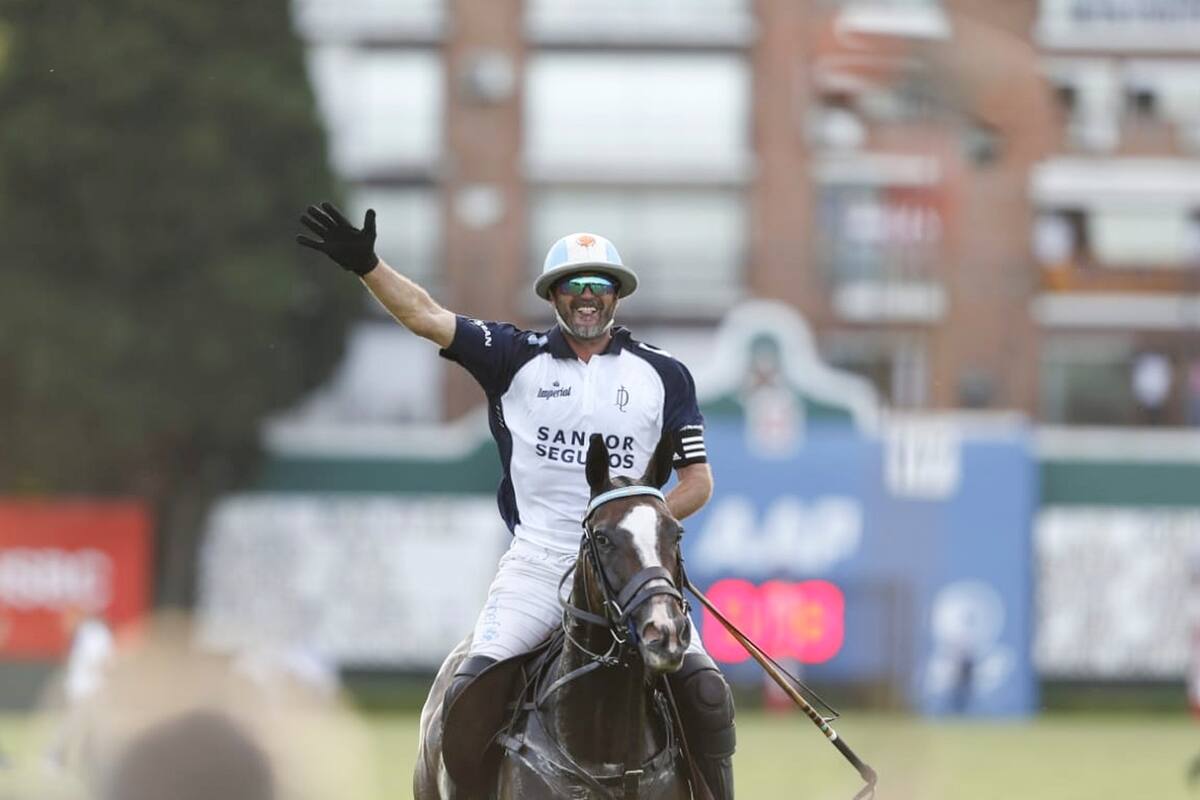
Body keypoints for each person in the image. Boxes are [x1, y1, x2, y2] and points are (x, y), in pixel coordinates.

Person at [297, 202, 736, 797]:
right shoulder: (513, 357)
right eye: (573, 286)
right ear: (554, 297)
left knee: (707, 693)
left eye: (598, 286)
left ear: (616, 296)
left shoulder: (665, 374)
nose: (586, 296)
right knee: (468, 693)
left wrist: (635, 528)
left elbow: (696, 482)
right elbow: (428, 316)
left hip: (635, 570)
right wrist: (368, 265)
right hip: (539, 564)